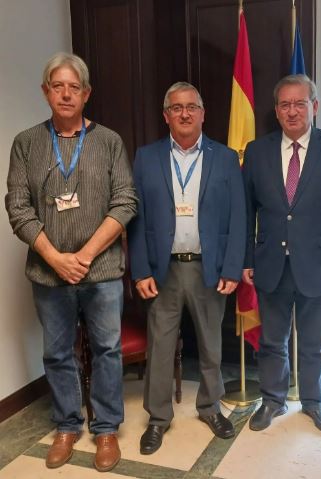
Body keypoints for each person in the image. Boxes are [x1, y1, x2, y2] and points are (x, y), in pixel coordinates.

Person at [5, 52, 137, 472]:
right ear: (46, 91)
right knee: (57, 353)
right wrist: (55, 259)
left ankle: (106, 429)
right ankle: (65, 425)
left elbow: (125, 202)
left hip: (100, 272)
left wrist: (81, 256)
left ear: (86, 93)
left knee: (107, 350)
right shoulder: (26, 143)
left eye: (73, 86)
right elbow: (18, 207)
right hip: (48, 273)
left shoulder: (109, 141)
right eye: (57, 85)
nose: (66, 93)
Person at [127, 81, 246, 454]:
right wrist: (140, 270)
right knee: (160, 346)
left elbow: (238, 217)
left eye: (191, 107)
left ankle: (210, 407)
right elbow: (136, 218)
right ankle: (158, 419)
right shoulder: (146, 158)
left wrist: (231, 267)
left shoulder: (225, 158)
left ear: (203, 113)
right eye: (176, 108)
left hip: (208, 268)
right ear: (166, 116)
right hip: (164, 271)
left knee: (212, 344)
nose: (184, 114)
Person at [242, 74, 321, 433]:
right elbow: (247, 211)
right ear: (276, 111)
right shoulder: (257, 150)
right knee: (271, 342)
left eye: (300, 103)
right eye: (284, 104)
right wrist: (247, 258)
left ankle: (314, 402)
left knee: (315, 344)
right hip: (271, 265)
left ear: (315, 107)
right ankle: (272, 401)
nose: (292, 111)